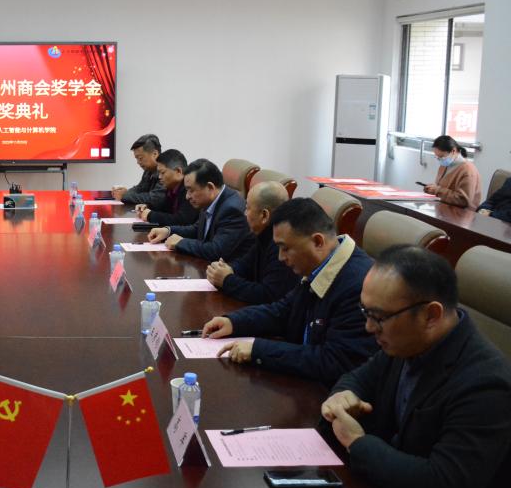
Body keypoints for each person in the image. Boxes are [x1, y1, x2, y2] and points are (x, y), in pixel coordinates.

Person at [321, 245, 511, 488]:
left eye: (378, 317)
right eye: (365, 312)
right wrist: (342, 396)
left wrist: (357, 443)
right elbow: (357, 379)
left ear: (431, 316)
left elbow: (444, 487)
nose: (369, 327)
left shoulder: (486, 385)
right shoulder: (406, 341)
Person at [202, 197, 376, 385]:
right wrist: (234, 322)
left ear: (317, 242)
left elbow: (334, 361)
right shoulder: (322, 265)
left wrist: (259, 350)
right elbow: (284, 311)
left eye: (285, 248)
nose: (280, 257)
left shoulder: (359, 286)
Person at [206, 181, 299, 304]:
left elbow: (268, 295)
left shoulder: (281, 245)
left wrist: (226, 280)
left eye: (248, 208)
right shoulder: (262, 234)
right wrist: (226, 269)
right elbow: (245, 265)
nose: (244, 213)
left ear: (264, 215)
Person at [147, 159, 252, 261]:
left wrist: (181, 243)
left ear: (210, 187)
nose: (187, 196)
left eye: (191, 190)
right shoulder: (209, 200)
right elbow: (197, 229)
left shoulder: (231, 210)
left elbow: (217, 251)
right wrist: (168, 231)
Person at [135, 149, 199, 227]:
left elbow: (183, 220)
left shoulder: (189, 189)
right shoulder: (171, 188)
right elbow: (165, 211)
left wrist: (151, 215)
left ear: (178, 171)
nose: (159, 177)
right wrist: (147, 208)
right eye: (159, 173)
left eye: (162, 173)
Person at [423, 135, 482, 208]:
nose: (440, 160)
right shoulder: (444, 165)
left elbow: (463, 200)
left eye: (441, 157)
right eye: (437, 157)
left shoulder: (468, 170)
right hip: (443, 207)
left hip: (462, 212)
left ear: (453, 151)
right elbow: (441, 188)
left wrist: (437, 190)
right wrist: (432, 189)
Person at [111, 134, 165, 206]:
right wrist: (125, 192)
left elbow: (154, 199)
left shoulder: (165, 172)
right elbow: (139, 189)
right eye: (136, 159)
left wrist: (124, 196)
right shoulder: (148, 171)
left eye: (140, 158)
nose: (138, 162)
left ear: (155, 154)